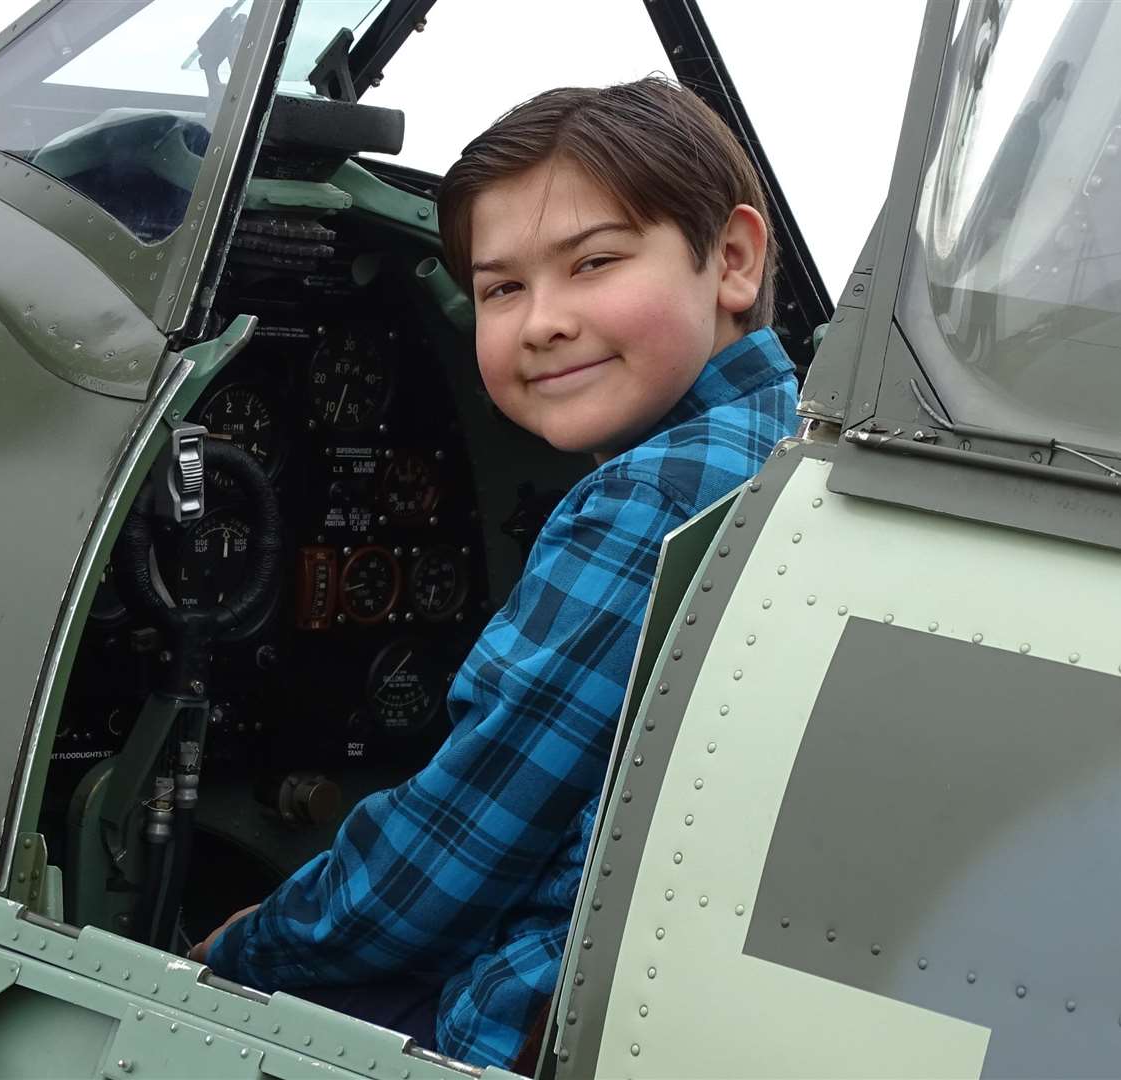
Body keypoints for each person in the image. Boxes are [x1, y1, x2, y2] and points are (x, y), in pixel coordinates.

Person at [189, 76, 801, 1067]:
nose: (541, 321)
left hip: (525, 1025)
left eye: (593, 262)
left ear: (729, 260)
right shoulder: (784, 448)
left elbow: (440, 868)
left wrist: (245, 943)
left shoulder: (647, 501)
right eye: (500, 287)